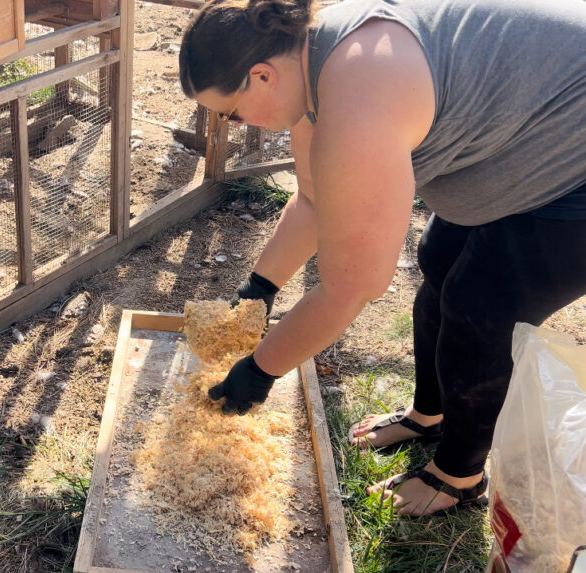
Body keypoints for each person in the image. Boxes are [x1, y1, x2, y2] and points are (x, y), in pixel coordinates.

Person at [178, 0, 586, 516]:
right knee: (439, 261)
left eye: (230, 112)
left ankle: (457, 475)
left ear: (261, 76)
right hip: (531, 127)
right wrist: (259, 287)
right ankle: (429, 416)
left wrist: (259, 371)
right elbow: (313, 201)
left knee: (481, 304)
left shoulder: (356, 96)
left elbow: (354, 285)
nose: (235, 124)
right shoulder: (310, 68)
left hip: (573, 154)